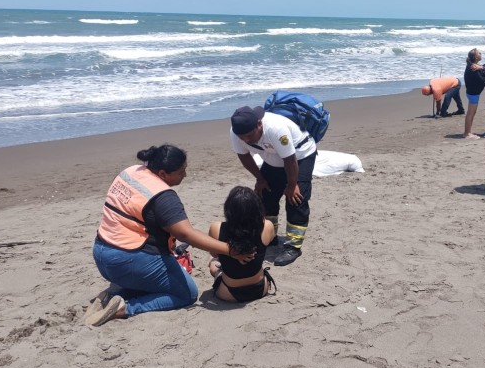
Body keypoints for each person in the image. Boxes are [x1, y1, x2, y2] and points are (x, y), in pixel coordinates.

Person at [88, 144, 254, 326]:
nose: (185, 175)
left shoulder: (131, 172)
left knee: (161, 277)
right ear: (162, 174)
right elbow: (186, 234)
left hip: (101, 252)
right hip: (127, 261)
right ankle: (125, 307)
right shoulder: (163, 197)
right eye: (181, 171)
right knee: (186, 293)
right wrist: (230, 251)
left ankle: (112, 295)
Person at [230, 105, 317, 266]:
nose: (246, 140)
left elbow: (290, 160)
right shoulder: (237, 133)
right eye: (243, 138)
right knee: (265, 196)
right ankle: (270, 236)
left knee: (295, 199)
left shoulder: (276, 129)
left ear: (259, 125)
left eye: (249, 136)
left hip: (300, 156)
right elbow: (244, 157)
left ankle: (293, 246)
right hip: (273, 158)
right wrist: (260, 178)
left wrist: (292, 185)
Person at [208, 186, 276, 302]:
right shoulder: (268, 225)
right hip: (261, 288)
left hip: (228, 292)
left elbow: (214, 253)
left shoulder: (217, 228)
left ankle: (219, 272)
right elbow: (269, 240)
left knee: (213, 261)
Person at [463, 48, 485, 139]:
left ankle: (468, 131)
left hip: (473, 92)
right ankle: (467, 133)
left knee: (472, 112)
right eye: (479, 53)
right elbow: (481, 79)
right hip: (473, 93)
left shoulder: (474, 66)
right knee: (470, 113)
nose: (481, 54)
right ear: (476, 57)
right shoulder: (473, 68)